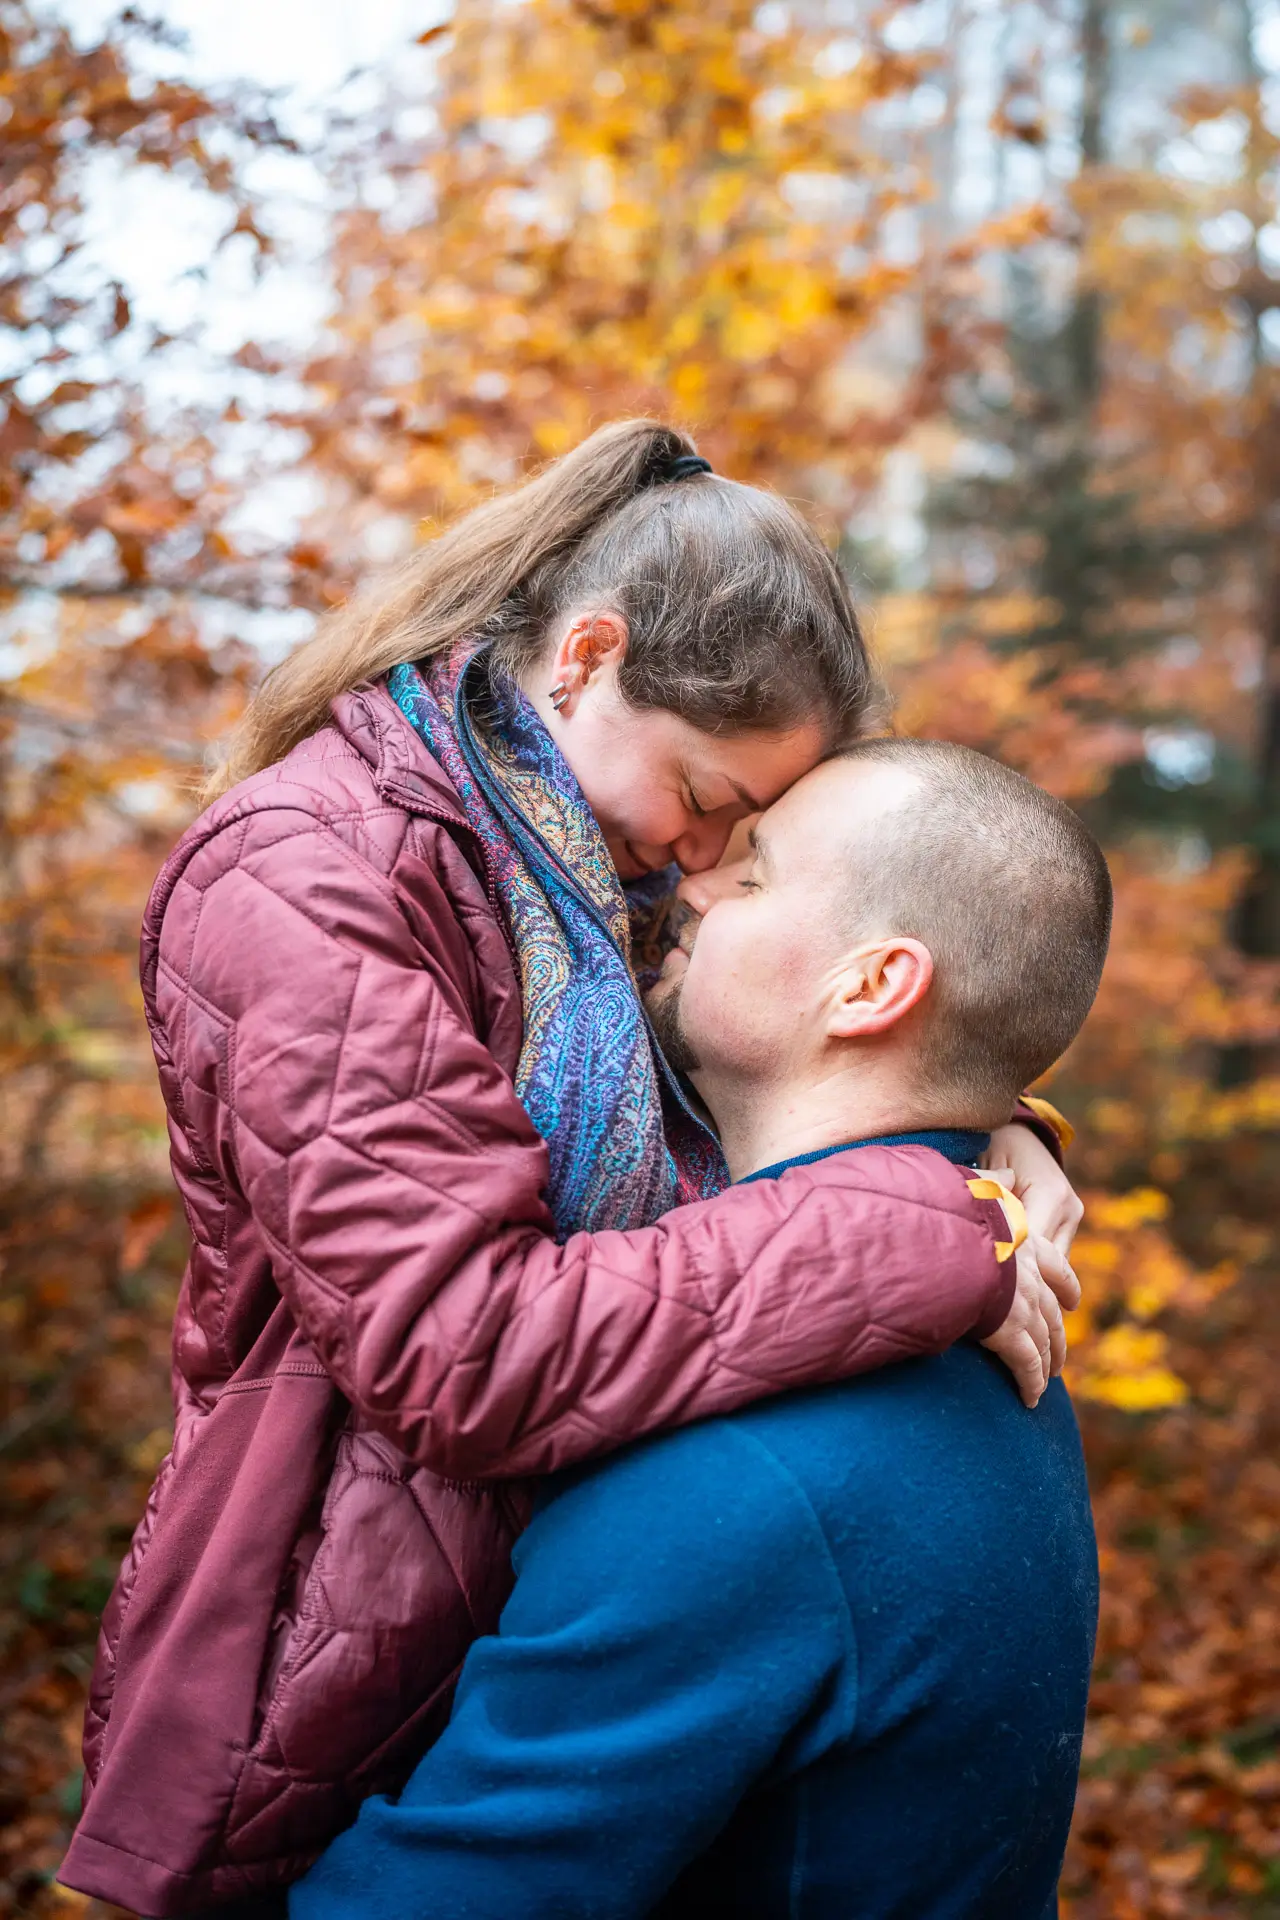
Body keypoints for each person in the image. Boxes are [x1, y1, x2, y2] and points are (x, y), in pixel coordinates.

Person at [60, 423, 1080, 1918]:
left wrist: (991, 1131)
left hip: (575, 1578)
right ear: (588, 659)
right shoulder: (307, 872)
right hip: (338, 1621)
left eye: (746, 836)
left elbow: (822, 1033)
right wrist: (928, 1225)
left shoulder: (578, 854)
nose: (701, 863)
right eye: (709, 798)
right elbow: (460, 1347)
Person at [292, 739, 1109, 1920]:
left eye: (755, 873)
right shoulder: (980, 1332)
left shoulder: (738, 1475)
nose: (693, 883)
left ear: (869, 989)